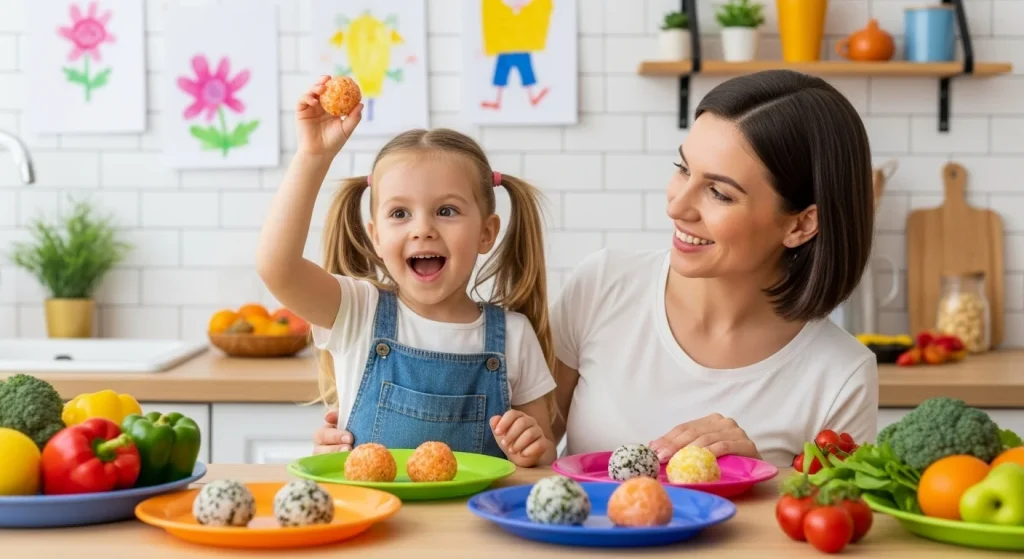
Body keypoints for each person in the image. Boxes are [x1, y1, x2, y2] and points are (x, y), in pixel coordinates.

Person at [550, 70, 880, 468]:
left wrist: (756, 477)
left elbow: (833, 518)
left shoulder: (841, 375)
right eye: (684, 168)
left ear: (801, 224)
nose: (677, 207)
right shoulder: (602, 286)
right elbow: (529, 452)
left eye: (719, 193)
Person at [259, 75, 558, 467]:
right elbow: (276, 268)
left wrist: (534, 448)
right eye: (400, 213)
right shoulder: (357, 312)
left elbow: (544, 455)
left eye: (446, 211)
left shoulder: (515, 336)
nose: (422, 228)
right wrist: (312, 157)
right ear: (376, 237)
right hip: (373, 524)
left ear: (486, 233)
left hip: (470, 528)